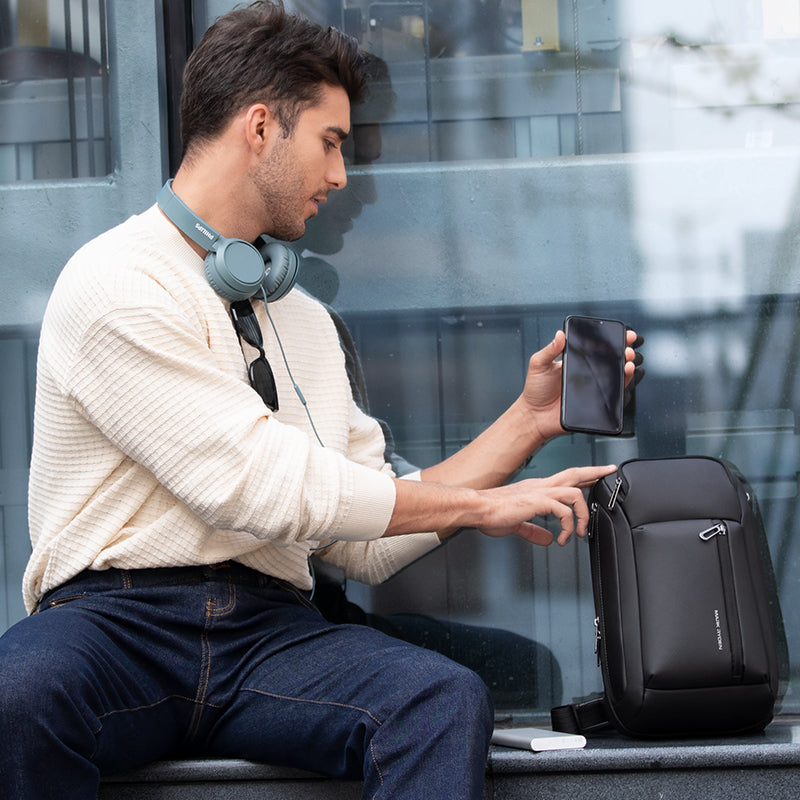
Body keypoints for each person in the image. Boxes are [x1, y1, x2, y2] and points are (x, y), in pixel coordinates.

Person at [0, 3, 641, 799]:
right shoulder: (116, 283)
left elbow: (363, 544)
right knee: (15, 699)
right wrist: (483, 509)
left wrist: (528, 422)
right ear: (261, 127)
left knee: (439, 700)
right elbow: (256, 484)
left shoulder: (302, 319)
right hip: (113, 626)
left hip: (270, 632)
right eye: (331, 142)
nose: (341, 175)